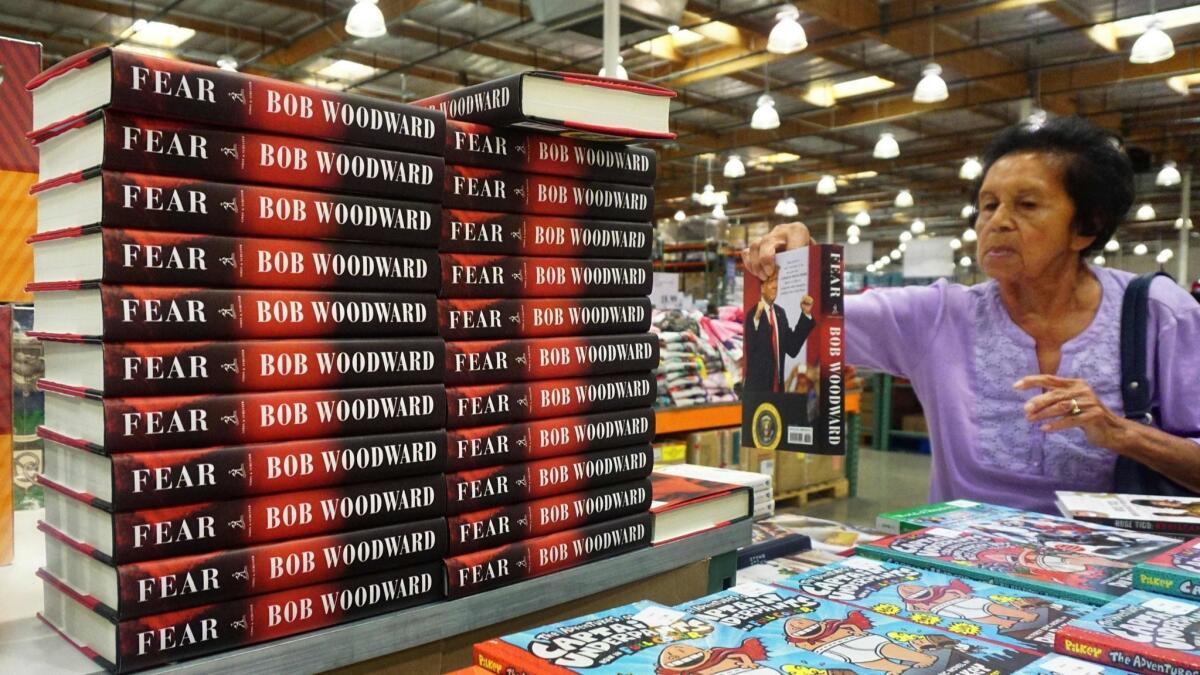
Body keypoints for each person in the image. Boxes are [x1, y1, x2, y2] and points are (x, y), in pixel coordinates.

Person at [743, 116, 1200, 513]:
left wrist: (1122, 434)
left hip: (1118, 578)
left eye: (1026, 204)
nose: (996, 221)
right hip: (962, 580)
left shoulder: (1159, 315)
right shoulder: (937, 317)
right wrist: (791, 264)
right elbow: (804, 319)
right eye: (987, 205)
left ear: (1087, 226)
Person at [743, 269, 815, 392]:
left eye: (776, 281)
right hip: (758, 391)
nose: (775, 286)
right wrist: (757, 317)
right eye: (771, 281)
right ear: (762, 287)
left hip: (777, 389)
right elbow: (752, 346)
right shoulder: (754, 315)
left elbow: (792, 348)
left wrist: (805, 315)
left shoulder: (780, 313)